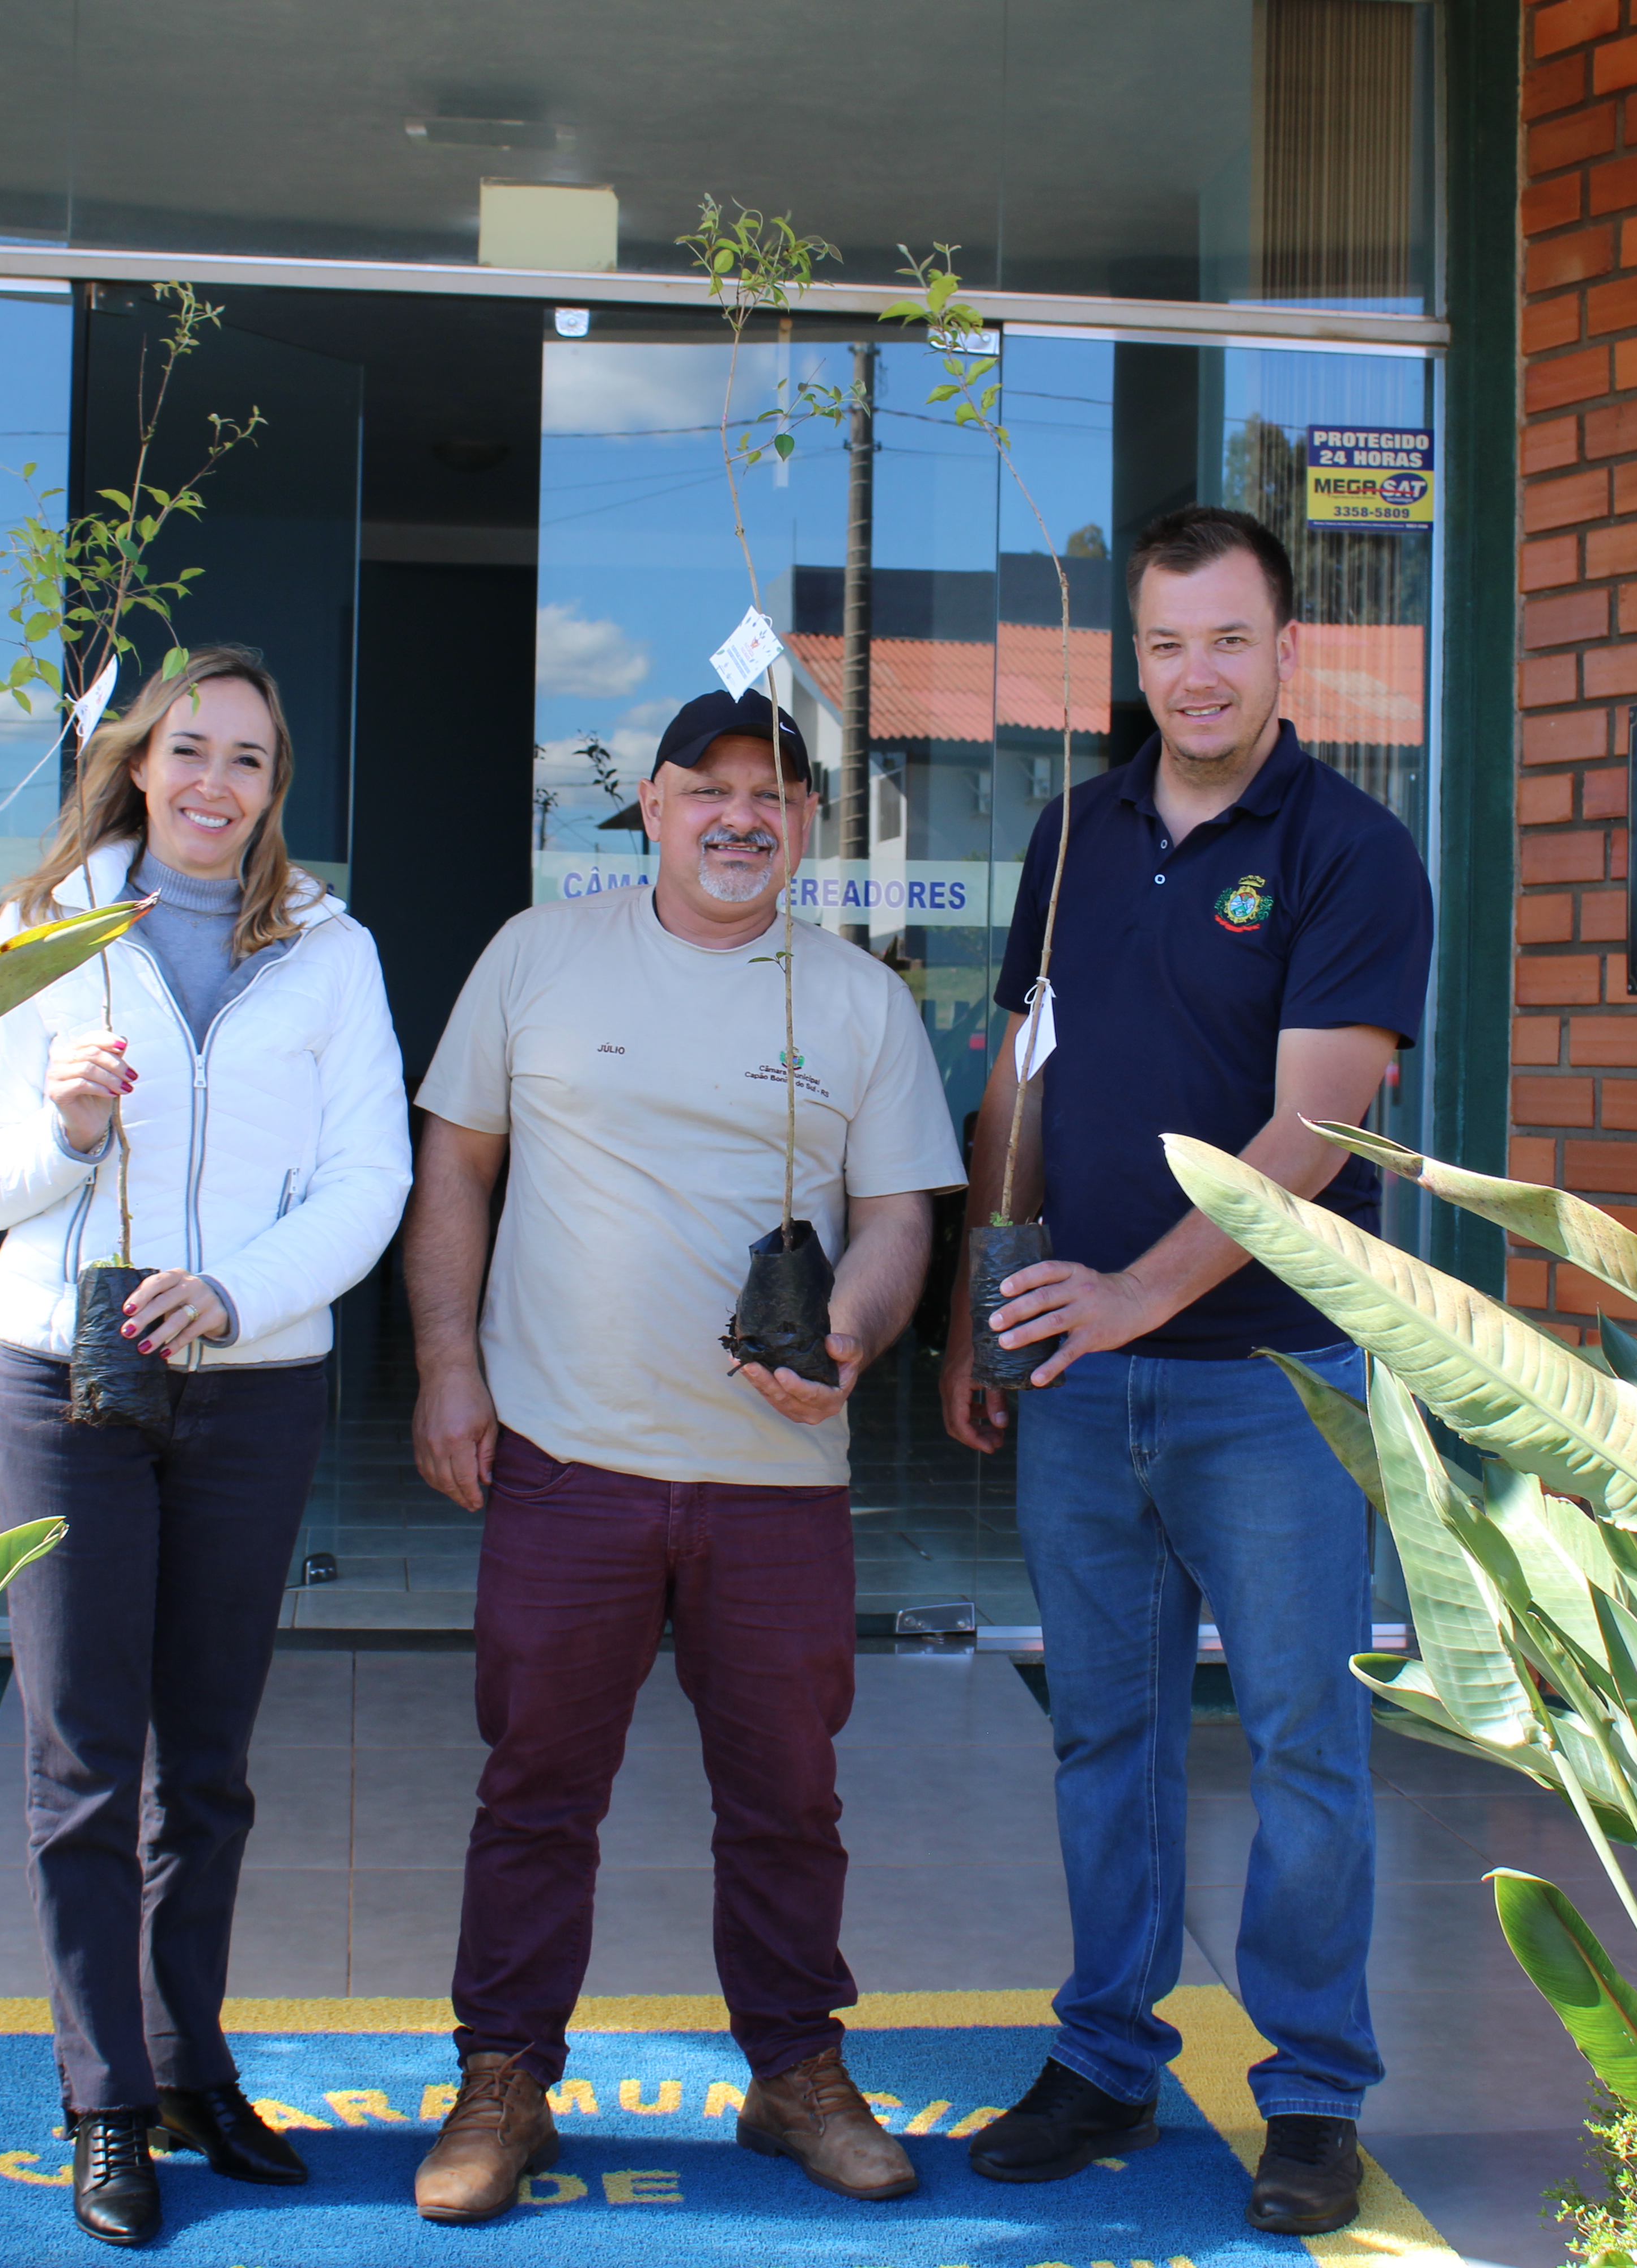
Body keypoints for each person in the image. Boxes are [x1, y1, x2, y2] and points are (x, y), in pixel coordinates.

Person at [399, 687, 962, 2225]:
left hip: (778, 1482)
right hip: (566, 1463)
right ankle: (503, 2077)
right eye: (706, 789)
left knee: (788, 1797)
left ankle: (796, 2072)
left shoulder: (858, 1001)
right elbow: (455, 1159)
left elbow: (905, 1211)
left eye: (773, 795)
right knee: (536, 1791)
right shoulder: (537, 958)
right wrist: (450, 1366)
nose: (739, 816)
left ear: (806, 827)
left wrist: (853, 1322)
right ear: (645, 808)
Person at [938, 507, 1434, 2238]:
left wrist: (1139, 1293)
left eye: (1229, 640)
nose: (1197, 674)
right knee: (1108, 1737)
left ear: (1288, 654)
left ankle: (1308, 2096)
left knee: (1302, 1739)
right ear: (1133, 660)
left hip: (1273, 1382)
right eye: (1166, 644)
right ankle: (1103, 2059)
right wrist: (979, 1314)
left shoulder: (1351, 851)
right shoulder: (1073, 837)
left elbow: (1313, 1123)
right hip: (1078, 1375)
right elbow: (1023, 1087)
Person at [0, 646, 411, 2247]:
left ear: (280, 790)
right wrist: (68, 1134)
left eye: (251, 762)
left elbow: (371, 1182)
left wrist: (239, 1293)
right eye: (190, 751)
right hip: (66, 1388)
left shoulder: (333, 953)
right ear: (140, 762)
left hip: (251, 1385)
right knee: (84, 1761)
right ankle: (104, 2106)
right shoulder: (45, 932)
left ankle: (190, 2059)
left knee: (205, 1767)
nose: (216, 784)